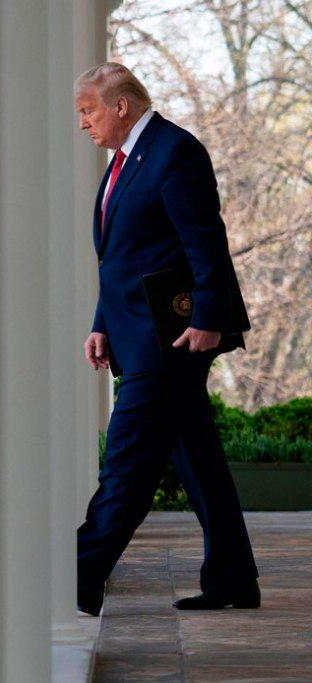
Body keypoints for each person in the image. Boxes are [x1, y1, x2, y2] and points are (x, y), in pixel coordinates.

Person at [73, 62, 259, 616]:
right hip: (135, 333)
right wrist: (102, 321)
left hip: (172, 340)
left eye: (88, 111)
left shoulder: (175, 151)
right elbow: (126, 255)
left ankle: (77, 577)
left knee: (127, 463)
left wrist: (209, 317)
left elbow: (204, 241)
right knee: (199, 459)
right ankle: (233, 579)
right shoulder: (123, 162)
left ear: (120, 105)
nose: (82, 124)